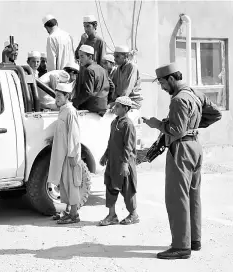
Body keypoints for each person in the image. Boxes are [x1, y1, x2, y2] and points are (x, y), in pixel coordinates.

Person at [142, 63, 222, 260]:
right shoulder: (194, 94)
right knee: (193, 196)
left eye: (161, 83)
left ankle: (181, 246)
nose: (161, 87)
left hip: (182, 149)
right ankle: (194, 240)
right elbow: (216, 113)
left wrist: (157, 124)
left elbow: (176, 131)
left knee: (177, 198)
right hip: (195, 147)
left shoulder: (178, 100)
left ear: (170, 79)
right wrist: (193, 127)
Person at [98, 96, 140, 226]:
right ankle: (112, 215)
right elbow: (111, 141)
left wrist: (125, 163)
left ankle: (133, 215)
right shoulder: (114, 122)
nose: (114, 108)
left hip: (124, 163)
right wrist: (105, 155)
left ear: (125, 108)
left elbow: (129, 145)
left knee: (128, 189)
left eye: (117, 106)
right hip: (113, 162)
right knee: (110, 186)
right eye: (115, 105)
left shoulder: (128, 124)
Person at [47, 83, 82, 224]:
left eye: (59, 96)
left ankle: (74, 214)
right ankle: (67, 212)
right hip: (62, 155)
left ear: (67, 96)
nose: (56, 99)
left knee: (71, 184)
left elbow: (74, 135)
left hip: (69, 155)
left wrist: (73, 155)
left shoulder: (70, 111)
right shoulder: (62, 110)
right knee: (64, 185)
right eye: (55, 96)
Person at [72, 45, 111, 116]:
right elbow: (112, 86)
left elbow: (88, 92)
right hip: (103, 106)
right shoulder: (102, 69)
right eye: (79, 56)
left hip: (93, 106)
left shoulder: (89, 70)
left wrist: (74, 103)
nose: (80, 59)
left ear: (90, 57)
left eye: (82, 56)